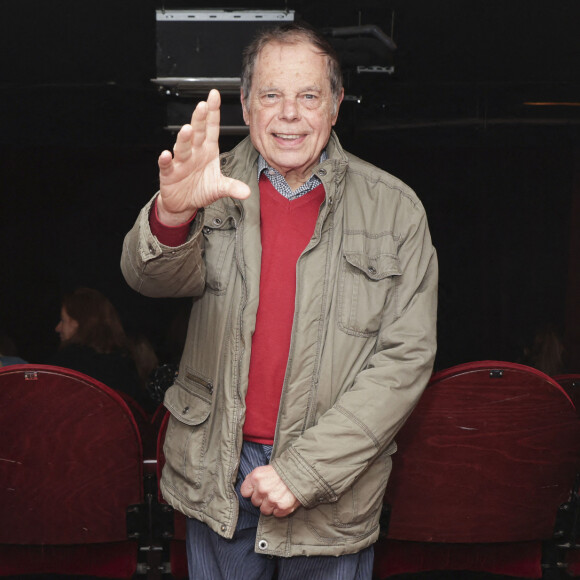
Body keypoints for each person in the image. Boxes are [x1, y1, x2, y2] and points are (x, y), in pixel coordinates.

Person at [121, 22, 438, 580]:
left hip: (334, 477)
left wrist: (305, 470)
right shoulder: (205, 183)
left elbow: (405, 360)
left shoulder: (397, 211)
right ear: (246, 105)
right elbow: (148, 280)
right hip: (216, 465)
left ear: (335, 105)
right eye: (271, 94)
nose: (289, 113)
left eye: (308, 95)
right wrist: (173, 216)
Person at [48, 287, 155, 412]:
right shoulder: (127, 364)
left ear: (79, 322)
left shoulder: (63, 367)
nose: (57, 328)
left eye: (63, 320)